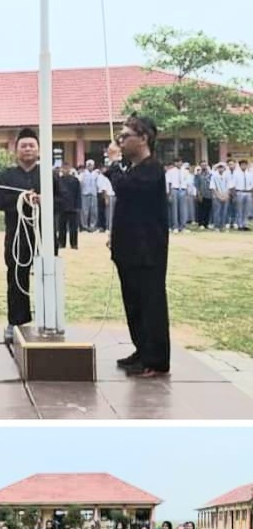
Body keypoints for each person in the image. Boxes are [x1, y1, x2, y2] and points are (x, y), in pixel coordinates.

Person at [108, 115, 170, 377]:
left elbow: (125, 189)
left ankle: (156, 359)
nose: (120, 142)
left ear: (143, 138)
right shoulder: (134, 170)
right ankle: (142, 350)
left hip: (147, 250)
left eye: (125, 137)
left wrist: (112, 164)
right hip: (128, 248)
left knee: (150, 302)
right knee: (133, 303)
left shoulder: (152, 169)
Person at [0, 128, 63, 340]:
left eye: (32, 145)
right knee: (16, 278)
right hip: (17, 236)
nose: (28, 149)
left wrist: (44, 201)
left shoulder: (48, 175)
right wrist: (21, 200)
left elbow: (63, 202)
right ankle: (17, 321)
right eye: (23, 145)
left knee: (47, 276)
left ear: (39, 150)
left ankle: (48, 319)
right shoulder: (6, 176)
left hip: (45, 236)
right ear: (16, 151)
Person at [57, 163, 81, 249]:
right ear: (61, 169)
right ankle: (61, 243)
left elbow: (78, 194)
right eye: (63, 168)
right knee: (61, 227)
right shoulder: (58, 180)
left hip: (73, 207)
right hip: (61, 206)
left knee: (73, 227)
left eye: (67, 168)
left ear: (70, 169)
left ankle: (74, 244)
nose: (65, 170)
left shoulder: (75, 180)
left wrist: (78, 206)